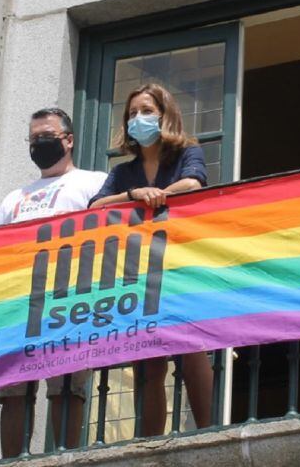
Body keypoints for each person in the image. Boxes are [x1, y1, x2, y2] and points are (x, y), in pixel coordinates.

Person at [89, 83, 212, 436]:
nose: (137, 119)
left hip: (180, 260)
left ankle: (207, 432)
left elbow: (194, 183)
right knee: (148, 360)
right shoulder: (123, 174)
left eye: (146, 111)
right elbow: (95, 206)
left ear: (164, 114)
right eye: (131, 114)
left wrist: (159, 194)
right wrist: (133, 194)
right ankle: (151, 442)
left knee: (191, 347)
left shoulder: (188, 150)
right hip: (139, 268)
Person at [0, 108, 107, 456]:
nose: (39, 143)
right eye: (34, 138)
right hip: (19, 305)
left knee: (67, 385)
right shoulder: (14, 198)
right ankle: (12, 461)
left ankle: (66, 457)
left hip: (70, 298)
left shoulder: (93, 182)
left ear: (68, 140)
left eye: (46, 136)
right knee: (13, 390)